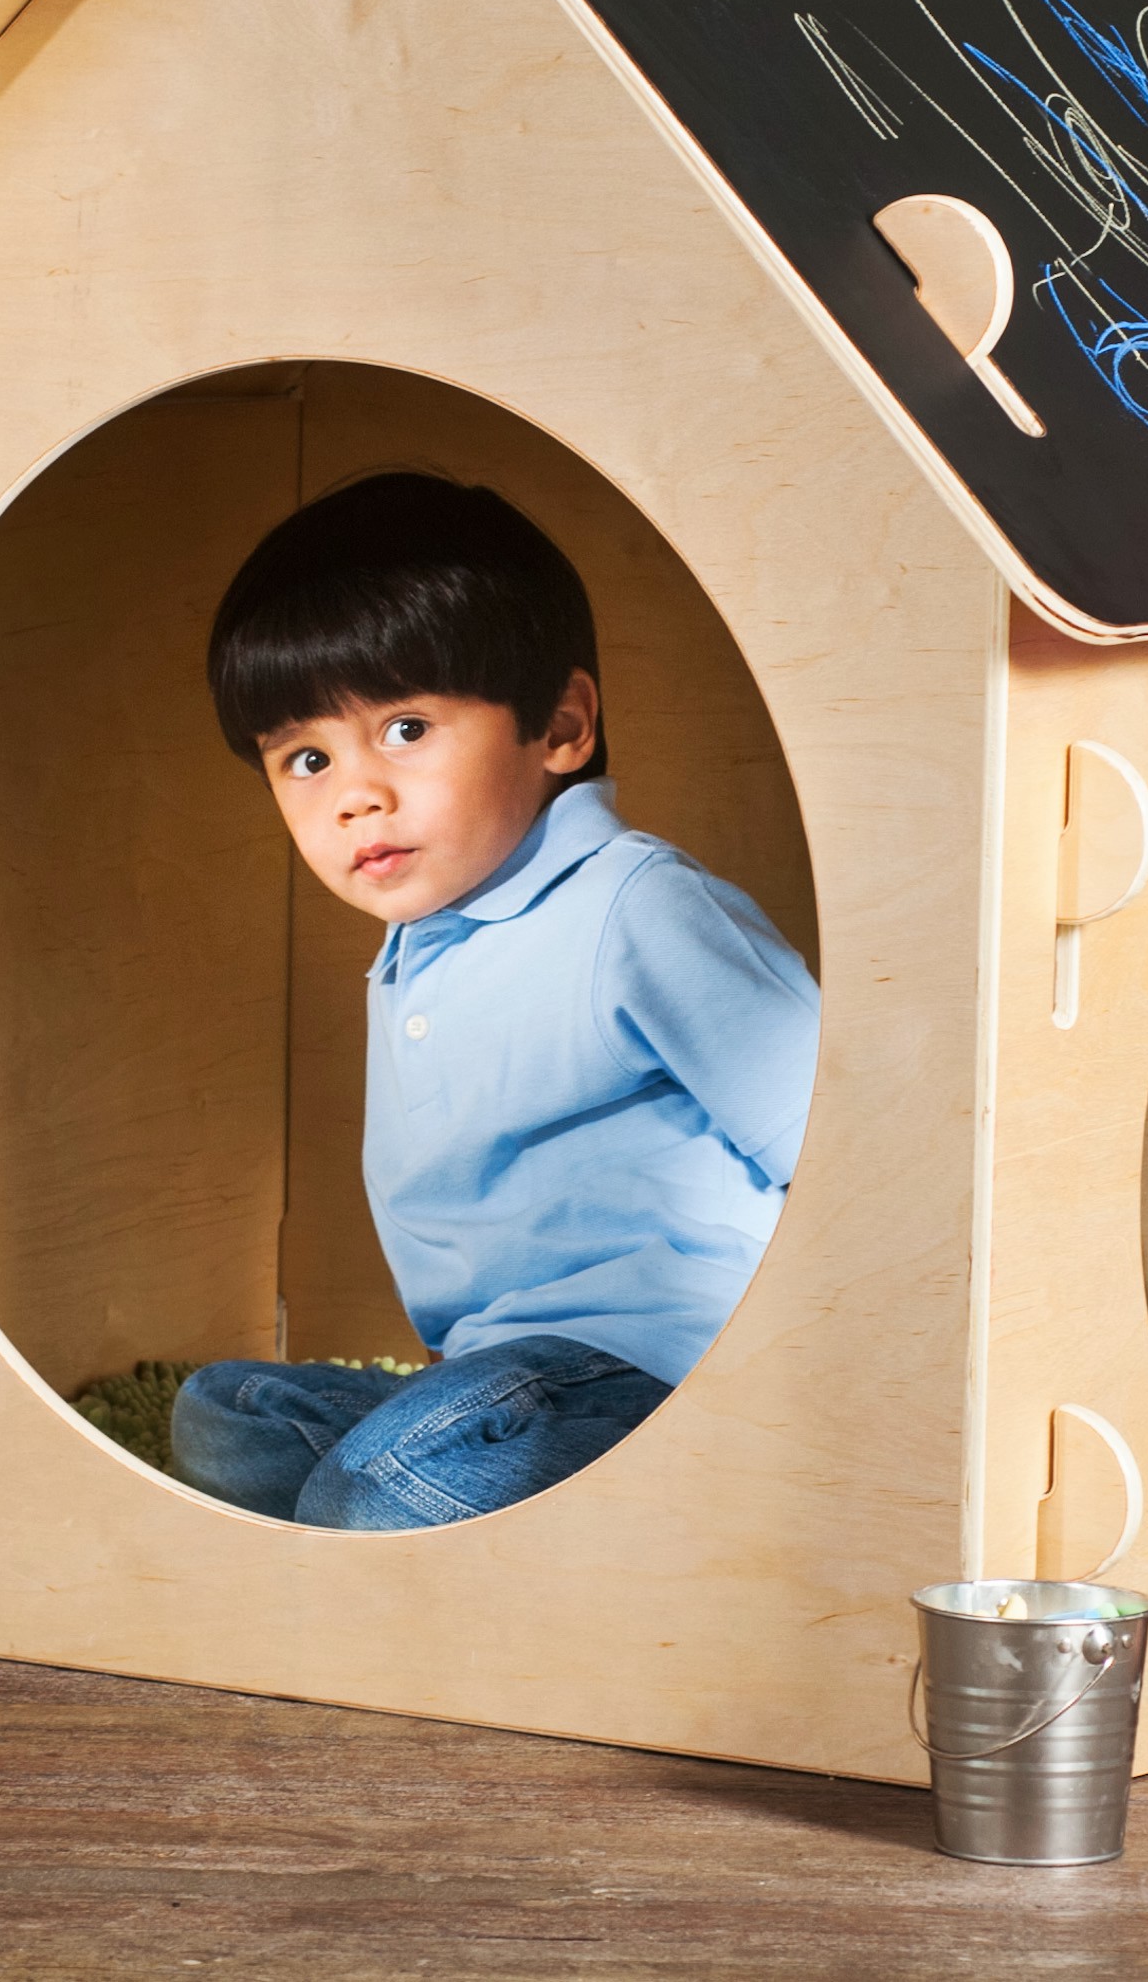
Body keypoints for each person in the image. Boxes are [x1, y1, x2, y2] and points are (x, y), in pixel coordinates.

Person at [167, 472, 819, 1532]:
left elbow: (847, 1148)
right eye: (307, 758)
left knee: (380, 1484)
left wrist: (796, 1384)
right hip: (501, 1378)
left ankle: (410, 1501)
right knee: (226, 1414)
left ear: (559, 726)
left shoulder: (635, 906)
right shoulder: (419, 943)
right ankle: (415, 1486)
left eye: (406, 729)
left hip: (664, 1365)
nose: (356, 795)